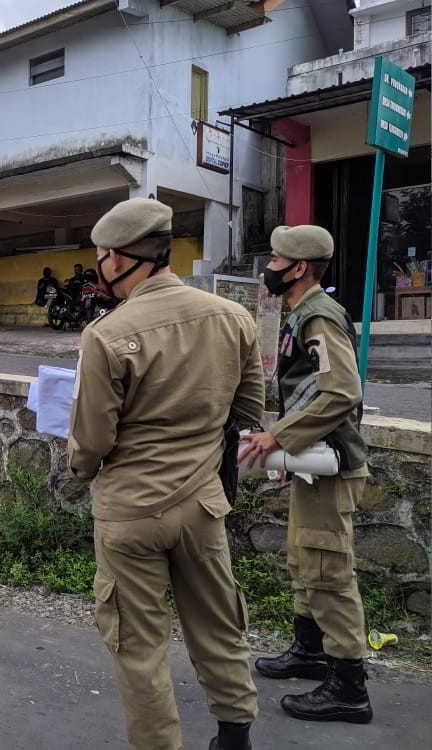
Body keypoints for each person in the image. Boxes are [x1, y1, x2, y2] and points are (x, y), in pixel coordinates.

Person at [68, 198, 264, 750]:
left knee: (139, 645)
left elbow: (93, 442)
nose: (100, 266)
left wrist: (79, 470)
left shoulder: (106, 334)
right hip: (203, 506)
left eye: (101, 256)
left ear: (117, 258)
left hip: (130, 511)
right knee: (219, 624)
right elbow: (249, 413)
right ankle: (234, 734)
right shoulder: (233, 317)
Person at [238, 225, 373, 725]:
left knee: (327, 570)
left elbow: (341, 392)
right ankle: (312, 651)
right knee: (305, 558)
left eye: (275, 260)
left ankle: (348, 686)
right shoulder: (304, 312)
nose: (267, 268)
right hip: (314, 458)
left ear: (297, 268)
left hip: (332, 462)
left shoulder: (319, 315)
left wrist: (279, 438)